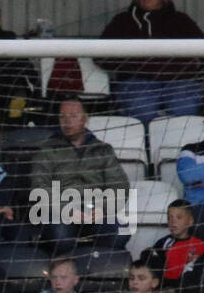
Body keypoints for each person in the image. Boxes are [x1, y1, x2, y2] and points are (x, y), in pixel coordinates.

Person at [99, 0, 204, 125]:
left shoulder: (181, 20)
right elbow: (100, 54)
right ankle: (147, 147)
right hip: (136, 81)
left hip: (179, 81)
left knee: (183, 109)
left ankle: (183, 148)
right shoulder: (122, 21)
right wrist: (129, 65)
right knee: (143, 110)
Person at [28, 97, 131, 255]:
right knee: (60, 236)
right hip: (60, 211)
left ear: (85, 119)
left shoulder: (102, 150)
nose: (67, 122)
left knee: (119, 233)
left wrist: (103, 209)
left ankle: (98, 272)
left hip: (96, 209)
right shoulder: (46, 150)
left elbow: (119, 186)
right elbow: (39, 188)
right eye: (63, 117)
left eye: (73, 116)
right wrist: (66, 210)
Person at [150, 200, 204, 284]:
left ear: (190, 221)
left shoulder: (199, 244)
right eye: (169, 218)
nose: (173, 222)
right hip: (166, 286)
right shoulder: (163, 243)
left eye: (179, 217)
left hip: (188, 287)